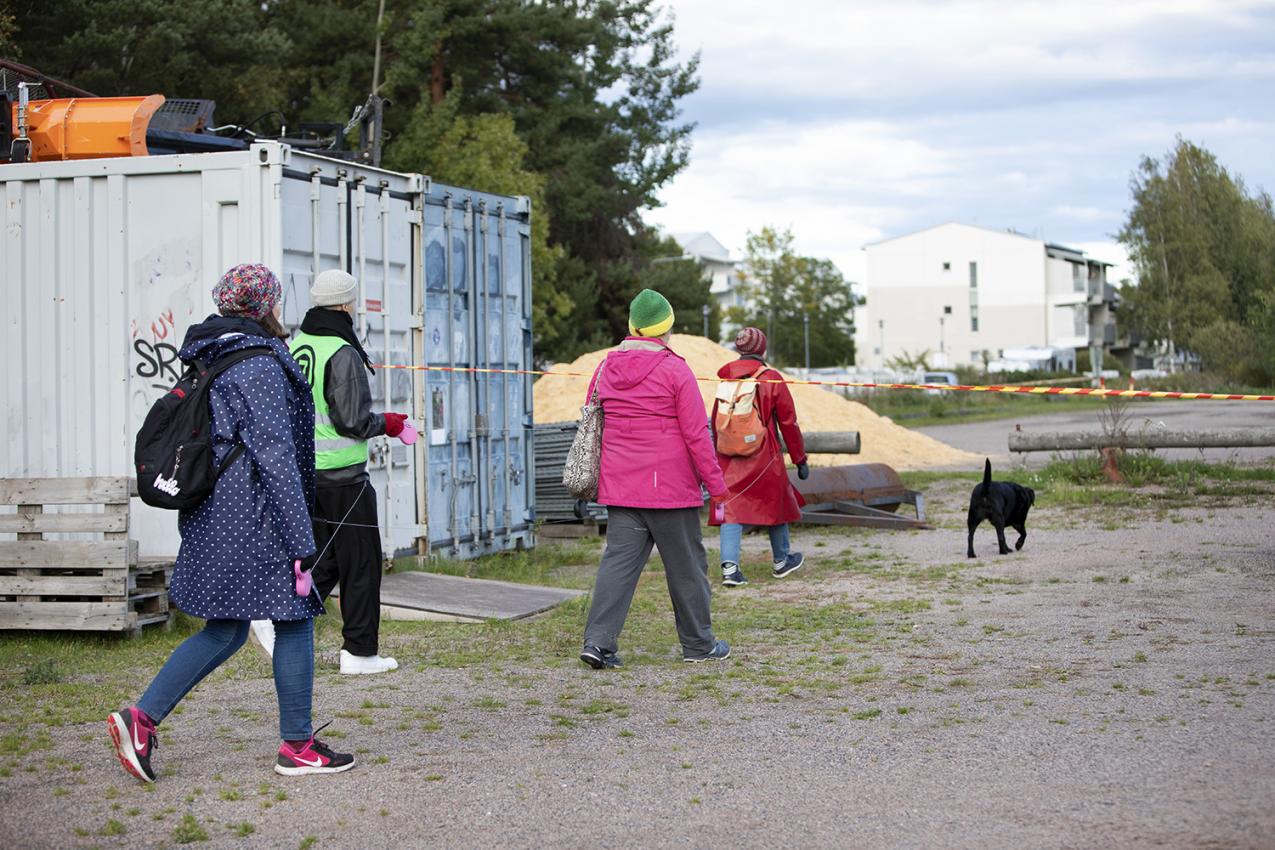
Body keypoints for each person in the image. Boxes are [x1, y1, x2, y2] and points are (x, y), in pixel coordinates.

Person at [108, 263, 354, 783]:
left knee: (226, 629)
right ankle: (297, 746)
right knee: (292, 617)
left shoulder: (211, 353)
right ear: (265, 305)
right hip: (254, 515)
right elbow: (275, 454)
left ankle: (141, 719)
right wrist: (301, 535)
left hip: (216, 513)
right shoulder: (259, 365)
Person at [252, 269, 410, 675]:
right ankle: (359, 653)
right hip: (343, 476)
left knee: (323, 561)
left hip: (307, 475)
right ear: (345, 304)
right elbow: (352, 421)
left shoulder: (300, 343)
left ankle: (277, 617)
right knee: (362, 565)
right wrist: (388, 424)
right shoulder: (342, 351)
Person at [579, 289, 731, 669]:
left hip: (622, 489)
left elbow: (592, 421)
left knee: (617, 566)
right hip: (670, 490)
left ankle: (598, 643)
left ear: (633, 327)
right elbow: (698, 435)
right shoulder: (676, 369)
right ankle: (699, 645)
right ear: (666, 329)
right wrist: (718, 488)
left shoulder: (604, 368)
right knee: (687, 570)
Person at [709, 327, 809, 587]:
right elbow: (788, 422)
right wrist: (800, 459)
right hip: (764, 455)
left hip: (727, 455)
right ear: (762, 349)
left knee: (730, 508)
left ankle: (730, 570)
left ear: (739, 349)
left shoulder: (726, 380)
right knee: (776, 502)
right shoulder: (771, 378)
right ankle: (781, 560)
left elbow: (715, 421)